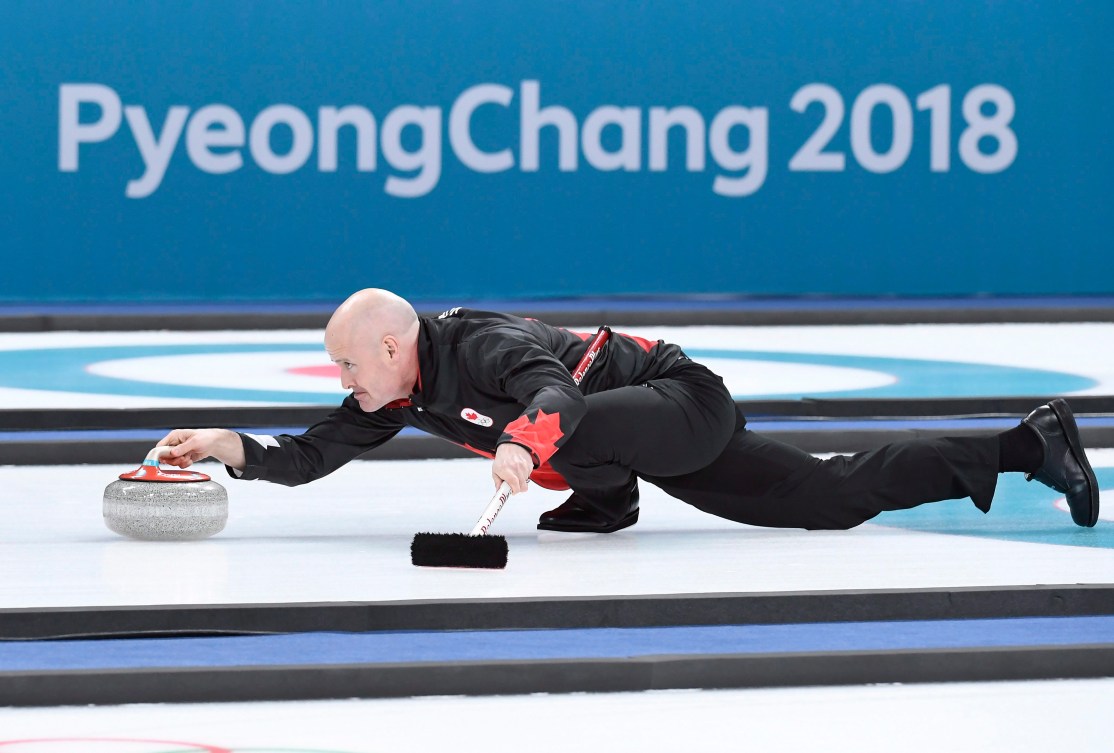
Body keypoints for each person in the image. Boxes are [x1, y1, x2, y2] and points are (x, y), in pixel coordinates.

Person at [158, 288, 1100, 532]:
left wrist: (527, 447)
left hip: (679, 401)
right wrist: (230, 445)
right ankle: (1028, 443)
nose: (341, 382)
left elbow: (557, 393)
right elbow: (313, 450)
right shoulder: (392, 392)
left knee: (571, 421)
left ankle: (607, 496)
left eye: (346, 363)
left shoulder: (477, 343)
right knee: (829, 498)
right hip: (642, 437)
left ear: (396, 347)